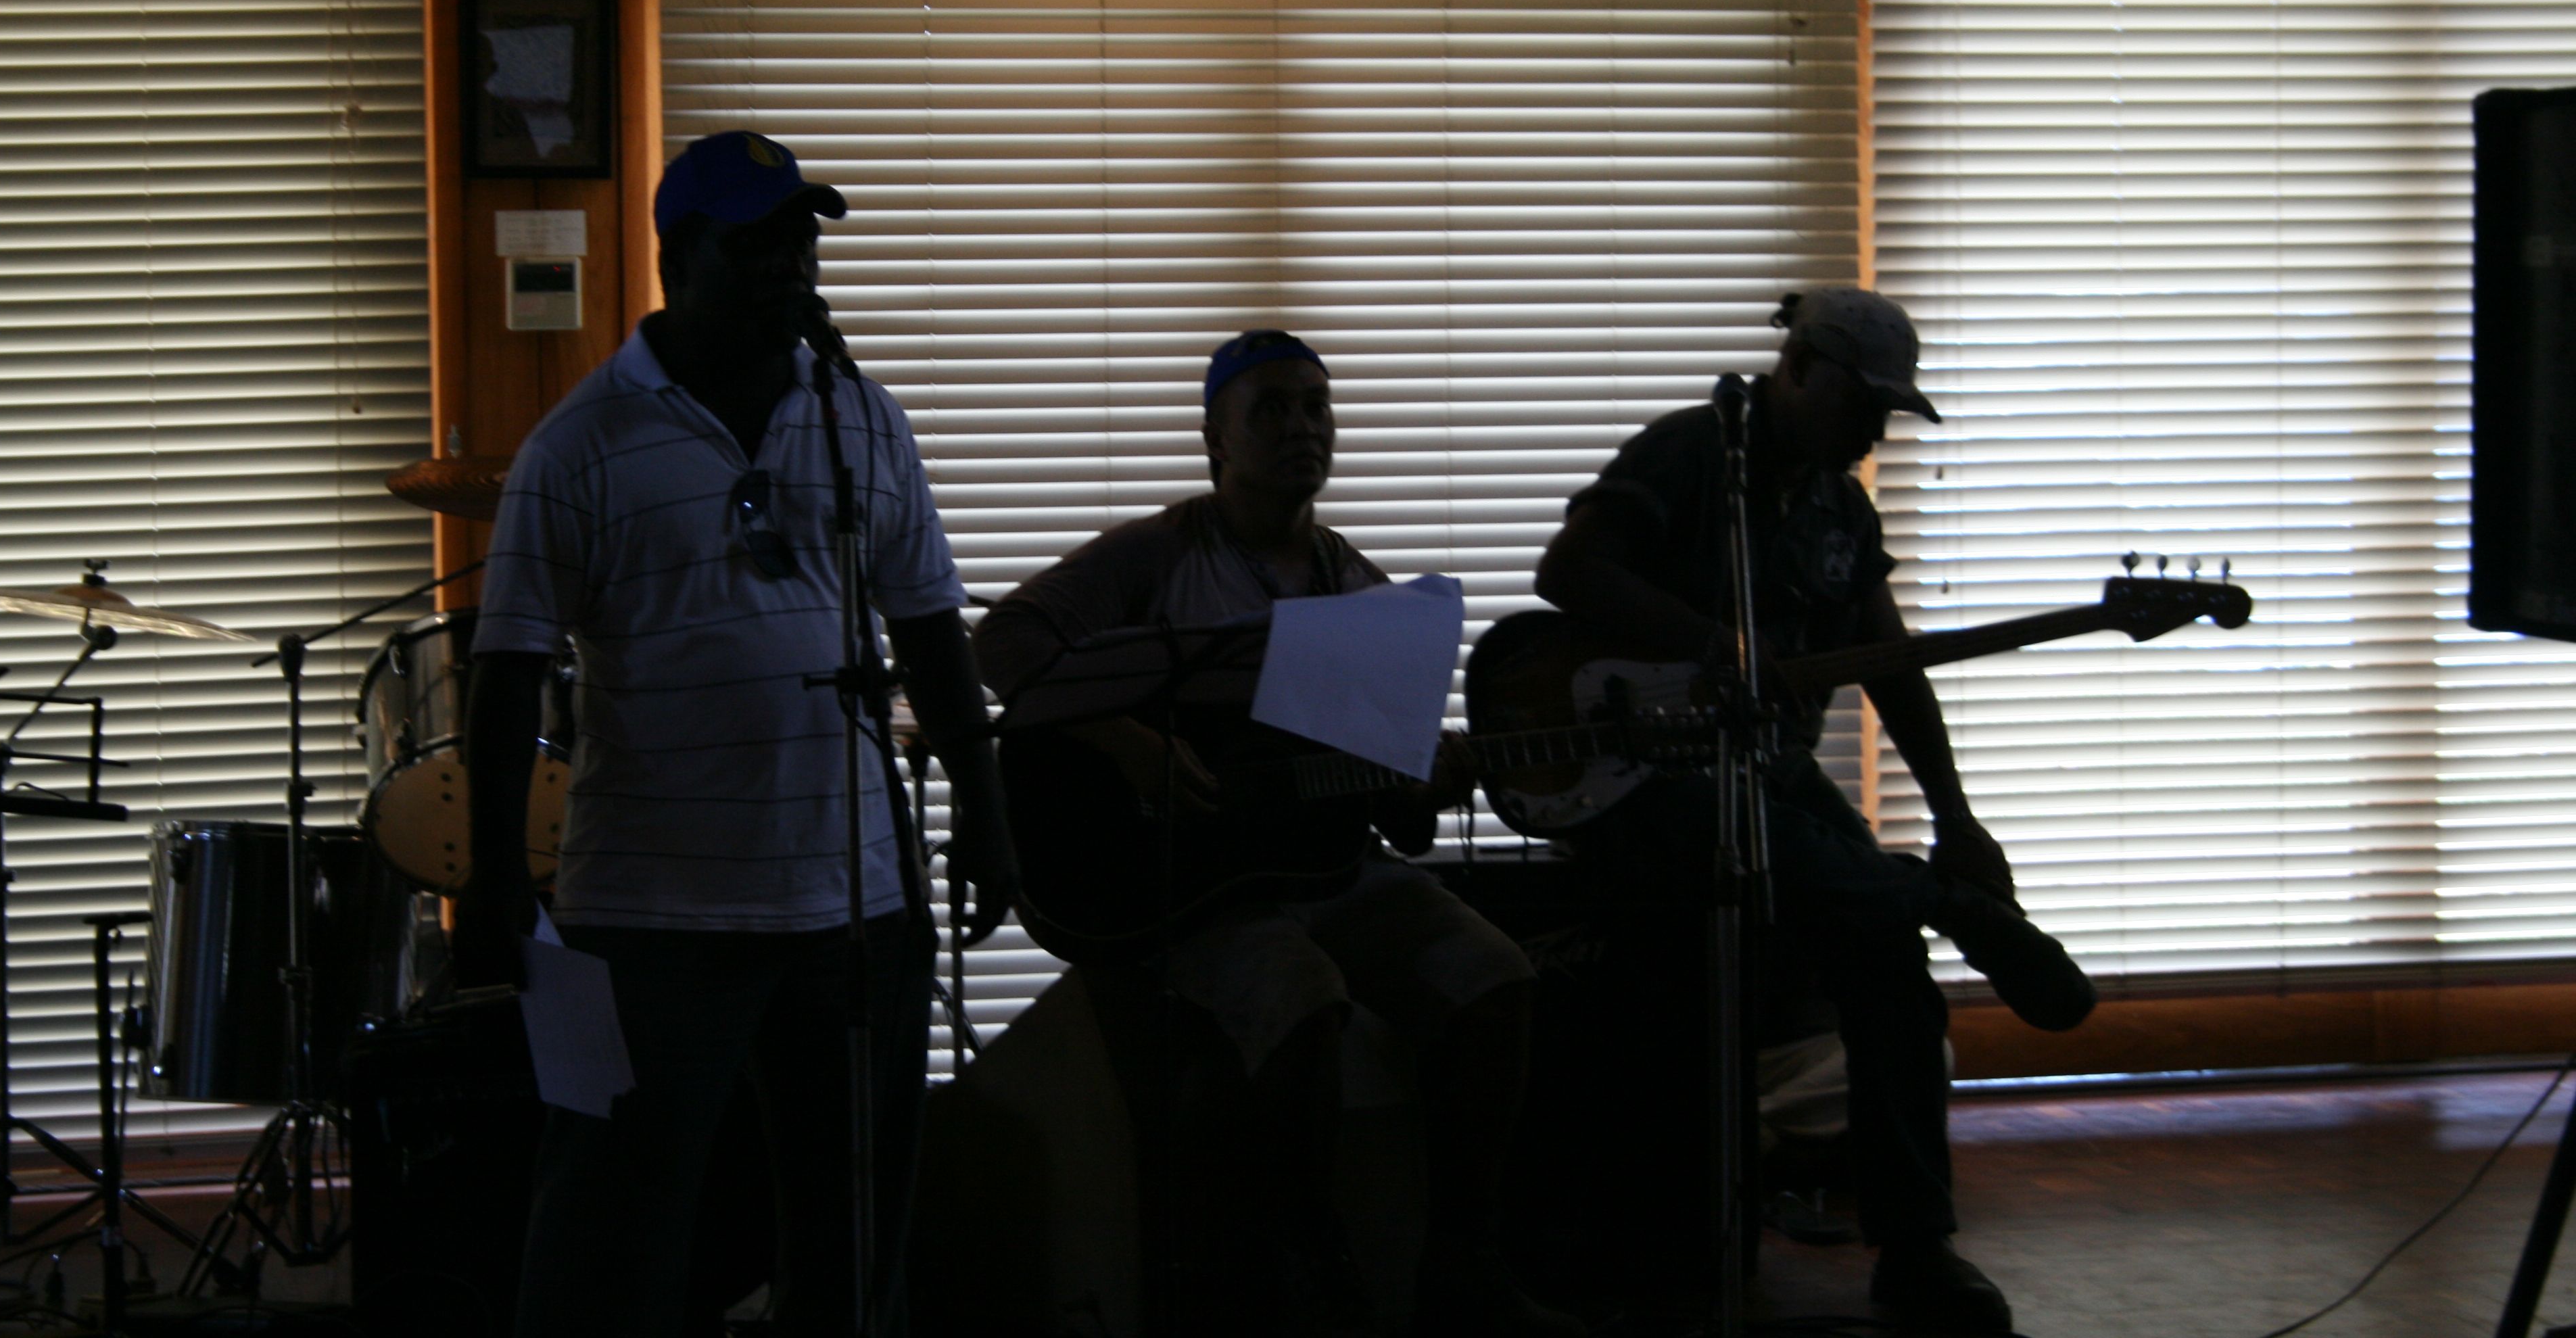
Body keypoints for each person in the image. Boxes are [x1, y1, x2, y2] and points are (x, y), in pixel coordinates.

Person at [454, 130, 1019, 1338]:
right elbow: (506, 673)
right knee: (612, 1229)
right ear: (678, 260)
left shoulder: (861, 418)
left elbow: (929, 630)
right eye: (756, 246)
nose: (791, 268)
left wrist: (988, 809)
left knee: (852, 1229)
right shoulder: (581, 444)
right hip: (653, 913)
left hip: (853, 900)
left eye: (802, 242)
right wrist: (494, 877)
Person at [972, 331, 1580, 1338]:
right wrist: (1130, 744)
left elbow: (1395, 820)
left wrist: (1427, 779)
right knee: (1299, 994)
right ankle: (1303, 1273)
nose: (1302, 428)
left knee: (1497, 978)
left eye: (1315, 407)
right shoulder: (1158, 554)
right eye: (1273, 410)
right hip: (1186, 886)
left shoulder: (1359, 585)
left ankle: (1462, 1265)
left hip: (1327, 868)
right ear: (1216, 438)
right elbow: (1002, 643)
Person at [1531, 287, 2095, 1338]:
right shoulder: (1691, 453)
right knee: (1871, 894)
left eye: (1888, 411)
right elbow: (1568, 571)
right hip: (1645, 776)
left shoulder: (1840, 509)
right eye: (1861, 401)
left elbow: (1890, 665)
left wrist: (1957, 814)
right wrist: (1712, 644)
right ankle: (1955, 907)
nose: (1874, 429)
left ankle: (1917, 1250)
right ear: (1796, 369)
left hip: (1770, 773)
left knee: (1886, 954)